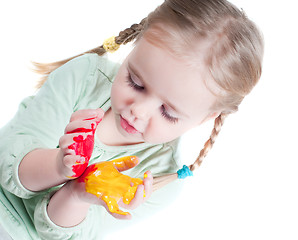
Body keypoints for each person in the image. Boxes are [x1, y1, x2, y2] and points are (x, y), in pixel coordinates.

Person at [0, 0, 264, 239]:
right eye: (135, 82)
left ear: (205, 119)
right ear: (133, 47)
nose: (138, 111)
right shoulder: (84, 79)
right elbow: (7, 161)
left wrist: (78, 194)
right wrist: (59, 165)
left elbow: (60, 235)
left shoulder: (160, 178)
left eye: (167, 112)